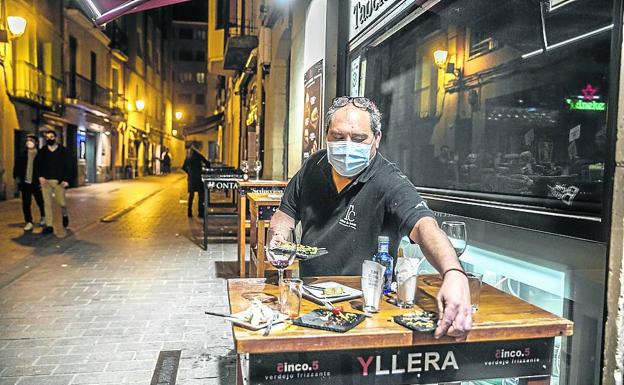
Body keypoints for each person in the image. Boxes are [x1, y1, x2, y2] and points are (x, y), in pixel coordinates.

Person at [270, 96, 472, 340]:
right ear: (326, 134)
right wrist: (280, 239)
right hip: (310, 293)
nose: (347, 145)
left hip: (364, 304)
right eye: (338, 136)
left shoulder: (389, 181)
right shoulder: (314, 164)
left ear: (376, 139)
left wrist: (453, 273)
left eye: (358, 139)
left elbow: (424, 226)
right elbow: (285, 213)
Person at [34, 130, 72, 234]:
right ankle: (49, 225)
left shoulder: (63, 151)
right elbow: (37, 165)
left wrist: (66, 179)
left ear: (56, 138)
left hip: (59, 181)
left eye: (51, 137)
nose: (49, 139)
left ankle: (64, 214)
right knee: (47, 203)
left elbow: (68, 165)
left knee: (61, 202)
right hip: (45, 181)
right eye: (47, 137)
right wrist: (40, 177)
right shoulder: (42, 151)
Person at [13, 134, 45, 231]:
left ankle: (43, 216)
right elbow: (16, 167)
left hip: (36, 182)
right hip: (25, 183)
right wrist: (17, 178)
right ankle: (29, 221)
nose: (28, 142)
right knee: (26, 203)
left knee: (40, 201)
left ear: (36, 142)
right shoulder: (22, 155)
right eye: (27, 140)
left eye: (31, 140)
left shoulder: (41, 155)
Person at [182, 144, 210, 217]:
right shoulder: (199, 156)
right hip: (199, 178)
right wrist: (204, 171)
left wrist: (189, 172)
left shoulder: (188, 157)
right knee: (201, 195)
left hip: (191, 178)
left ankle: (189, 212)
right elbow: (207, 163)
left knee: (191, 195)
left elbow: (183, 167)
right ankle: (200, 212)